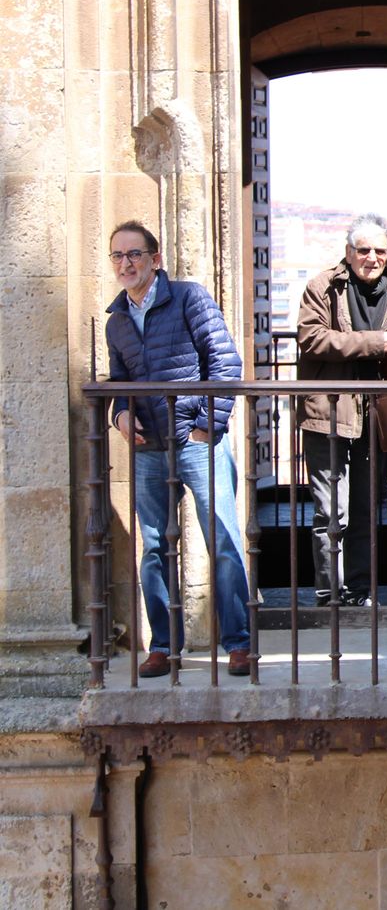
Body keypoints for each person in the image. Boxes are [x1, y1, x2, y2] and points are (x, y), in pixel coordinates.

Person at [104, 221, 252, 677]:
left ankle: (238, 644)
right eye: (118, 257)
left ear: (155, 258)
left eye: (134, 255)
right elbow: (120, 384)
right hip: (149, 446)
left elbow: (225, 363)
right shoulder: (117, 322)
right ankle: (165, 647)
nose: (126, 264)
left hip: (194, 441)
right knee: (153, 547)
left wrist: (208, 427)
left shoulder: (189, 298)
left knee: (222, 540)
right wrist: (120, 415)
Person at [296, 214, 387, 607]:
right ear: (348, 253)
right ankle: (328, 592)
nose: (372, 258)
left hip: (377, 417)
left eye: (380, 251)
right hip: (328, 414)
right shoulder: (322, 287)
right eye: (363, 250)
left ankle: (361, 590)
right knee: (331, 510)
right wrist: (370, 342)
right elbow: (311, 339)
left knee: (368, 508)